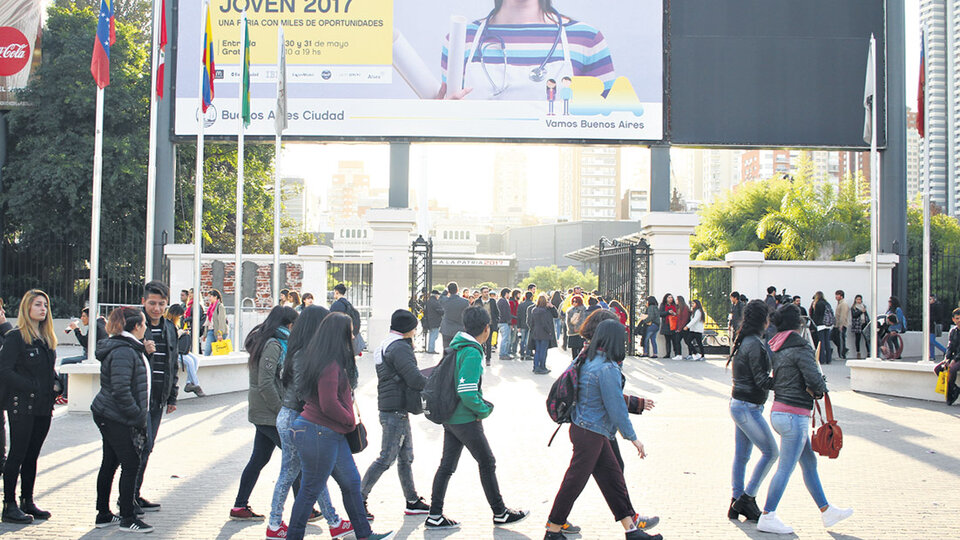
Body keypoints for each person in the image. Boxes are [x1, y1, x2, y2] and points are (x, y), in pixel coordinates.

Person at [544, 320, 661, 540]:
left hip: (587, 429)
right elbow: (616, 407)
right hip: (591, 433)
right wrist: (633, 438)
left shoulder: (588, 359)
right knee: (574, 482)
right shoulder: (607, 368)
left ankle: (631, 530)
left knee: (613, 480)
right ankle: (553, 530)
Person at [287, 313, 396, 540]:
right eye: (351, 331)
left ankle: (364, 534)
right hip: (318, 431)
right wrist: (349, 419)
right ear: (340, 335)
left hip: (329, 433)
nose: (354, 335)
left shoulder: (326, 359)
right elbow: (328, 403)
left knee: (352, 482)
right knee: (310, 490)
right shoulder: (329, 364)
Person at [425, 307, 529, 530]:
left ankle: (435, 515)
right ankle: (499, 512)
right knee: (487, 462)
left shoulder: (456, 347)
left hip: (450, 417)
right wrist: (483, 410)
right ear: (485, 328)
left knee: (446, 466)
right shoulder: (472, 352)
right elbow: (467, 391)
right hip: (465, 419)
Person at [757, 304, 852, 534]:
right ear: (799, 324)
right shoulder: (801, 347)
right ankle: (768, 515)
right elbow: (815, 382)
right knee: (786, 468)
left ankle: (827, 511)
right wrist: (820, 387)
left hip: (780, 411)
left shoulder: (777, 345)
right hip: (794, 415)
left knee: (808, 463)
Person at [268, 306, 351, 540]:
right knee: (292, 473)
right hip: (297, 417)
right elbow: (307, 391)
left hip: (291, 415)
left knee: (313, 473)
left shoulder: (298, 350)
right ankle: (275, 524)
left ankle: (333, 520)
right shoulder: (305, 354)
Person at [230, 306, 300, 521]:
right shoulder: (273, 344)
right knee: (296, 459)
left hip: (265, 412)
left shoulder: (272, 341)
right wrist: (281, 412)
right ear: (288, 325)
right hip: (269, 413)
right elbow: (266, 383)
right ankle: (305, 509)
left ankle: (240, 506)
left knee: (259, 458)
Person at [361, 310, 430, 519]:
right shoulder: (399, 347)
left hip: (393, 407)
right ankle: (359, 499)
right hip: (395, 410)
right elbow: (414, 379)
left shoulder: (386, 344)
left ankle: (412, 500)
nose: (415, 332)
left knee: (405, 457)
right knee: (386, 458)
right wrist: (433, 382)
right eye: (414, 328)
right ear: (409, 329)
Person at [91, 307, 154, 532]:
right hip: (115, 415)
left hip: (112, 414)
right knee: (130, 463)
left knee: (110, 462)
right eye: (144, 323)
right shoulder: (124, 351)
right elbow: (121, 389)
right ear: (136, 326)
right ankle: (128, 517)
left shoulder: (128, 348)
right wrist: (137, 414)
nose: (146, 327)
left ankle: (104, 514)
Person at [0, 290, 59, 525]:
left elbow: (48, 371)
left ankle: (27, 500)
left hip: (44, 406)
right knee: (18, 454)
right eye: (37, 304)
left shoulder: (46, 338)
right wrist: (31, 385)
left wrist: (57, 383)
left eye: (45, 305)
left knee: (32, 456)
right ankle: (9, 505)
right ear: (27, 308)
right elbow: (5, 370)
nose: (43, 309)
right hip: (22, 405)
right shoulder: (16, 337)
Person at [726, 300, 777, 524]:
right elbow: (761, 380)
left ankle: (736, 501)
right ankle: (747, 497)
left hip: (740, 404)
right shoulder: (754, 344)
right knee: (771, 452)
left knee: (742, 456)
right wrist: (785, 381)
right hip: (748, 406)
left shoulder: (746, 340)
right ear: (763, 320)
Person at [136, 281, 180, 513]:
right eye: (152, 303)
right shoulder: (134, 324)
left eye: (161, 304)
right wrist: (142, 349)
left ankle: (135, 493)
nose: (156, 308)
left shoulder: (169, 328)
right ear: (143, 302)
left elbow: (173, 363)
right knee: (139, 446)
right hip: (138, 398)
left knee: (148, 446)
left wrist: (172, 396)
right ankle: (128, 498)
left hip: (158, 398)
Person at [58, 307, 109, 403]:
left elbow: (86, 343)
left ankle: (64, 395)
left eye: (84, 316)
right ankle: (63, 393)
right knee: (67, 363)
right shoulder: (101, 323)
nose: (82, 318)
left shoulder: (96, 326)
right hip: (97, 355)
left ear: (91, 317)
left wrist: (76, 330)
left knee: (64, 362)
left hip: (94, 356)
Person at [163, 305, 204, 397]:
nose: (180, 318)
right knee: (189, 362)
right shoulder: (166, 323)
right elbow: (170, 338)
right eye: (180, 316)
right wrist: (180, 332)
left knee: (196, 360)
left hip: (178, 350)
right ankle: (196, 385)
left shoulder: (172, 324)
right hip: (172, 351)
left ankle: (189, 383)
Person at [330, 283, 365, 355]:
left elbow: (332, 320)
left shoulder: (336, 305)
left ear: (336, 292)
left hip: (340, 335)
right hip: (350, 334)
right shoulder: (349, 304)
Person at [936, 308, 960, 405]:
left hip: (958, 358)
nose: (959, 321)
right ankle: (955, 389)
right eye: (957, 318)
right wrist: (947, 359)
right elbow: (949, 347)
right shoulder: (953, 331)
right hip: (954, 357)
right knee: (938, 369)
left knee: (952, 369)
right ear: (953, 319)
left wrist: (954, 360)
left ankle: (950, 395)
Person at [529, 294, 559, 374]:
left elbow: (531, 322)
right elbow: (554, 316)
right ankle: (542, 366)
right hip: (544, 333)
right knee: (543, 351)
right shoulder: (545, 311)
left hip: (536, 333)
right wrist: (549, 331)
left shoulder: (534, 310)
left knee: (537, 351)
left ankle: (536, 366)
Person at [472, 287, 500, 365]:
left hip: (489, 325)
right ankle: (479, 357)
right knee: (479, 342)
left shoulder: (492, 301)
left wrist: (496, 320)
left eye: (487, 292)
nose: (486, 293)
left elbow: (497, 312)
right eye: (484, 292)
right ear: (481, 293)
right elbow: (473, 312)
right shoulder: (477, 302)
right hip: (480, 325)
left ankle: (488, 359)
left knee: (489, 342)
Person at [439, 282, 469, 350]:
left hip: (446, 329)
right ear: (457, 290)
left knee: (446, 349)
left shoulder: (445, 300)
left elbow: (441, 297)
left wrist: (446, 290)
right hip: (460, 329)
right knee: (458, 349)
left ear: (449, 291)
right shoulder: (465, 302)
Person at [810, 291, 833, 365]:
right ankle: (829, 359)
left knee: (821, 342)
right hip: (827, 325)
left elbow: (816, 315)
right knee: (827, 342)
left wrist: (814, 325)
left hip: (820, 325)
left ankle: (822, 359)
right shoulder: (826, 303)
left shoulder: (818, 304)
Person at [202, 289, 227, 356]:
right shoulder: (210, 308)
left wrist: (220, 333)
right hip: (211, 331)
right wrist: (205, 334)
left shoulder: (220, 306)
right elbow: (208, 321)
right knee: (207, 351)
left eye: (210, 296)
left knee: (219, 352)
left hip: (218, 331)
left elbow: (221, 320)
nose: (209, 298)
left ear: (215, 297)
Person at [832, 290, 850, 360]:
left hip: (841, 325)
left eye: (837, 295)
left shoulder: (843, 304)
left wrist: (841, 325)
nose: (836, 297)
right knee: (833, 337)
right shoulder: (839, 303)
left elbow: (843, 315)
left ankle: (842, 354)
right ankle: (844, 350)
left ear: (841, 296)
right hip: (836, 325)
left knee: (841, 339)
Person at [659, 294, 678, 359]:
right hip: (666, 325)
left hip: (673, 325)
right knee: (667, 341)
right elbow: (660, 314)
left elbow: (678, 314)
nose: (670, 299)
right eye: (669, 297)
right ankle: (668, 353)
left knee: (675, 340)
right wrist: (668, 312)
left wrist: (674, 314)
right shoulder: (663, 305)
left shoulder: (675, 305)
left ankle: (676, 353)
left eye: (671, 297)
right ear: (666, 298)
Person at [929, 294, 947, 360]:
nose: (929, 301)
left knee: (931, 340)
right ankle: (932, 356)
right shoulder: (930, 306)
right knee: (930, 341)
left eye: (930, 299)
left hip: (933, 325)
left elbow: (938, 316)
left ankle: (945, 350)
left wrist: (932, 319)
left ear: (934, 299)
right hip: (931, 325)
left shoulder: (936, 306)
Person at [496, 288, 513, 360]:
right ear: (506, 293)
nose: (509, 295)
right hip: (504, 322)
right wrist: (509, 321)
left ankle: (504, 353)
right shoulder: (503, 301)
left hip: (502, 322)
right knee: (505, 339)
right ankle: (503, 354)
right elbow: (506, 313)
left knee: (505, 338)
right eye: (509, 293)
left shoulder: (500, 301)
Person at [674, 296, 691, 361]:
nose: (676, 301)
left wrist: (680, 328)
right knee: (678, 341)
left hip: (683, 328)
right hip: (680, 327)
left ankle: (694, 353)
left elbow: (684, 319)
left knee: (686, 341)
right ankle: (679, 355)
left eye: (677, 300)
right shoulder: (679, 308)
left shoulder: (685, 308)